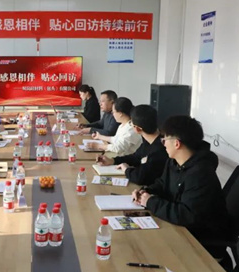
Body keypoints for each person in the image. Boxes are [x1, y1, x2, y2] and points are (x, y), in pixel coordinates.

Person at [132, 116, 230, 256]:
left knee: (143, 250)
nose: (163, 144)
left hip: (200, 242)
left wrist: (151, 201)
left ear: (177, 143)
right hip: (179, 227)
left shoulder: (200, 174)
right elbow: (162, 183)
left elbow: (187, 215)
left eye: (164, 140)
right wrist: (146, 191)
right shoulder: (174, 161)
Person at [97, 105, 168, 185]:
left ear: (137, 129)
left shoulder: (159, 150)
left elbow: (140, 177)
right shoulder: (148, 142)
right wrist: (113, 160)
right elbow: (135, 157)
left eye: (131, 123)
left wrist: (126, 170)